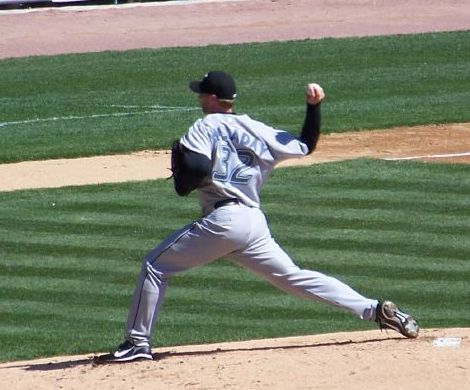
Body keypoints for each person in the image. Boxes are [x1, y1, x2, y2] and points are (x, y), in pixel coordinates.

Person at [101, 70, 419, 363]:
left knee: (155, 266)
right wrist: (313, 106)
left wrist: (185, 180)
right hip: (252, 222)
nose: (199, 99)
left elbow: (196, 168)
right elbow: (306, 145)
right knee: (294, 277)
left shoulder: (205, 126)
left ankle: (137, 343)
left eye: (202, 94)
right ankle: (375, 310)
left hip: (222, 221)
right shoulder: (257, 129)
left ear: (212, 98)